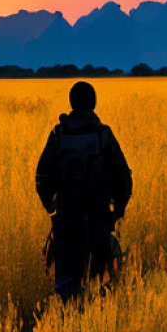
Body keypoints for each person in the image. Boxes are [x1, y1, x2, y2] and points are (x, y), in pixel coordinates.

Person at [35, 81, 132, 302]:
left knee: (65, 285)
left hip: (66, 219)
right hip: (98, 217)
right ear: (94, 103)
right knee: (102, 284)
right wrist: (117, 211)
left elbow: (42, 177)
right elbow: (123, 178)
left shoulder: (59, 134)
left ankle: (66, 324)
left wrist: (52, 208)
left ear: (71, 103)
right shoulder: (103, 135)